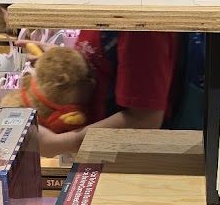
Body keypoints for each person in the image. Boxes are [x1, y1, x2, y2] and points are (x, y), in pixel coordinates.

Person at [31, 31, 179, 157]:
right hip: (100, 155)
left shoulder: (139, 30)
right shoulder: (106, 6)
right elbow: (104, 61)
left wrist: (58, 143)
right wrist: (62, 62)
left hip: (123, 163)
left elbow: (146, 119)